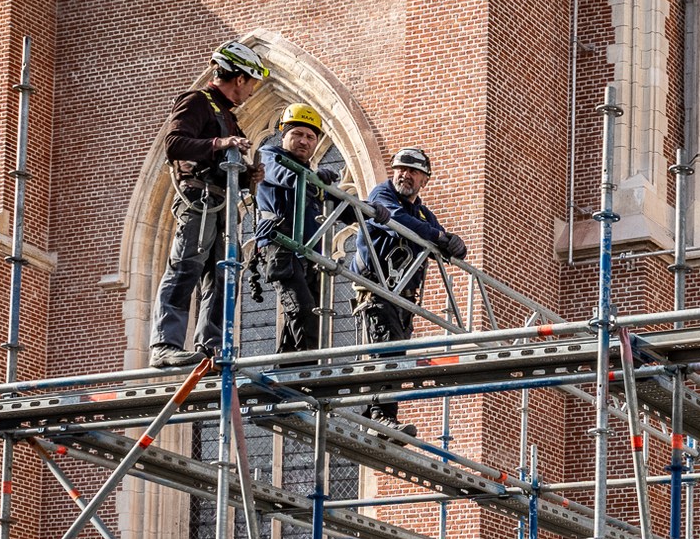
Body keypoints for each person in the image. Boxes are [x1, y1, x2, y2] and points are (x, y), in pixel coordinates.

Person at [150, 42, 268, 369]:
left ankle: (210, 348)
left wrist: (248, 176)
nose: (252, 92)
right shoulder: (197, 101)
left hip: (219, 203)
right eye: (252, 83)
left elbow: (222, 163)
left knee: (220, 275)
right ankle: (164, 344)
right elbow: (174, 144)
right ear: (239, 79)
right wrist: (221, 142)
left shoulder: (228, 116)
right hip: (198, 201)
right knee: (185, 265)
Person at [351, 146, 467, 351]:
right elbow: (397, 221)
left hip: (403, 300)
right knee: (386, 362)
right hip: (378, 292)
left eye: (412, 171)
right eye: (400, 169)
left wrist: (456, 246)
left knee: (396, 359)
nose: (405, 175)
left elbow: (443, 245)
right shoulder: (382, 195)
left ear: (425, 180)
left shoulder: (422, 214)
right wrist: (436, 236)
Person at [255, 103, 336, 356]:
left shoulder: (310, 176)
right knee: (303, 314)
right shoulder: (270, 155)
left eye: (310, 137)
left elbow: (341, 207)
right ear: (283, 135)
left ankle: (285, 381)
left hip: (306, 256)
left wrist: (372, 212)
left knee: (300, 321)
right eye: (297, 134)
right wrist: (312, 179)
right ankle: (308, 377)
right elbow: (284, 176)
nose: (304, 141)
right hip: (280, 247)